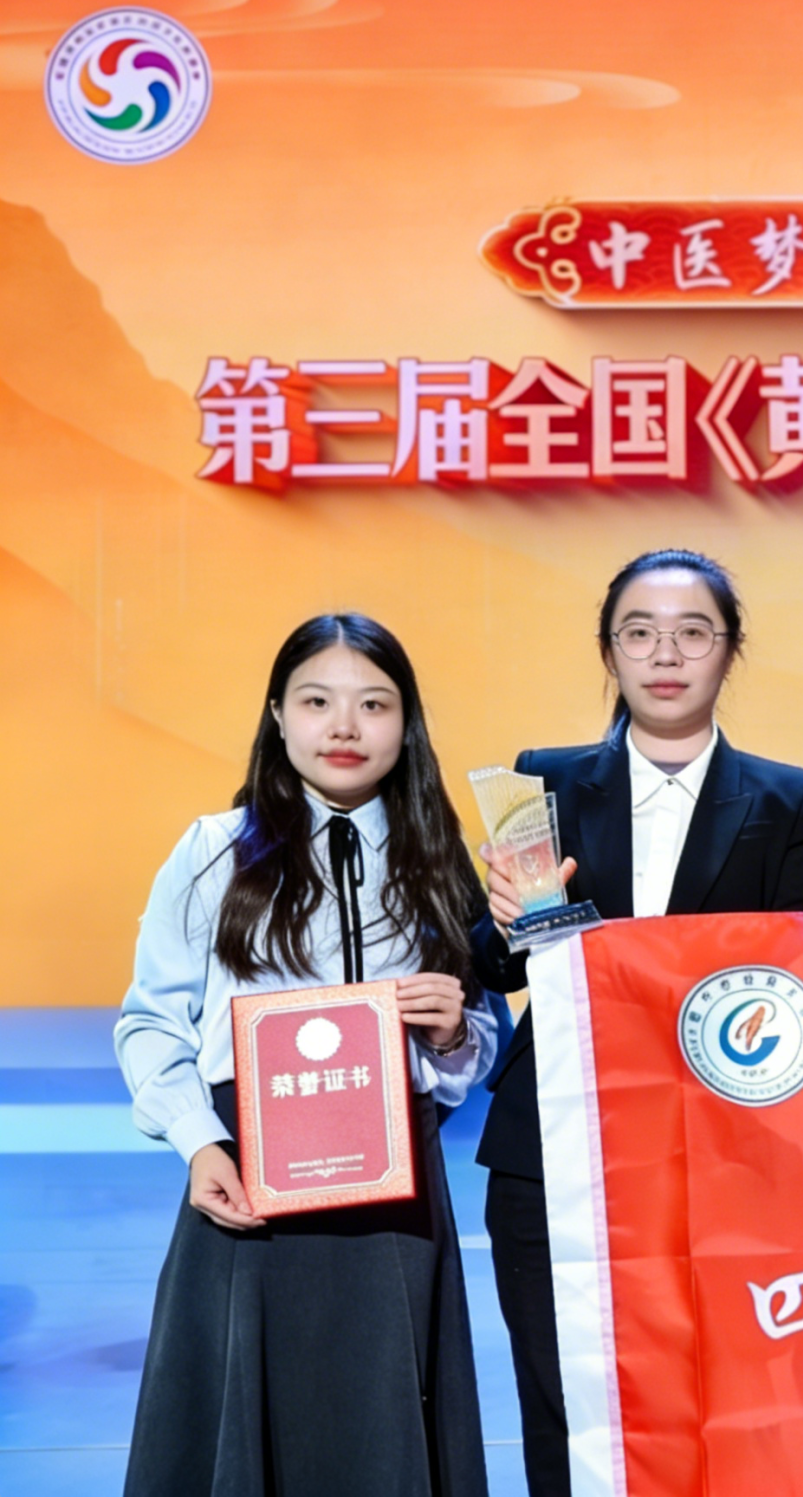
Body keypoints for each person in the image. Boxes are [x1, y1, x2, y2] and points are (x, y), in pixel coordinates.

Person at [472, 548, 803, 1497]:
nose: (665, 655)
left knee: (723, 1404)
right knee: (566, 1408)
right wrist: (508, 923)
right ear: (609, 651)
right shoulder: (543, 783)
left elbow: (801, 982)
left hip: (727, 1156)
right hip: (554, 1147)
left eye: (692, 633)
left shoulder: (794, 799)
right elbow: (494, 964)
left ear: (730, 651)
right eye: (639, 633)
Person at [115, 613, 496, 1497]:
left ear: (407, 723)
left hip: (396, 1196)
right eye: (318, 702)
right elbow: (151, 1022)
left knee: (383, 1427)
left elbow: (481, 1042)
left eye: (375, 704)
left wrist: (454, 1033)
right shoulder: (213, 852)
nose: (345, 727)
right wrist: (199, 1145)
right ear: (278, 716)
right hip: (250, 1184)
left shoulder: (440, 862)